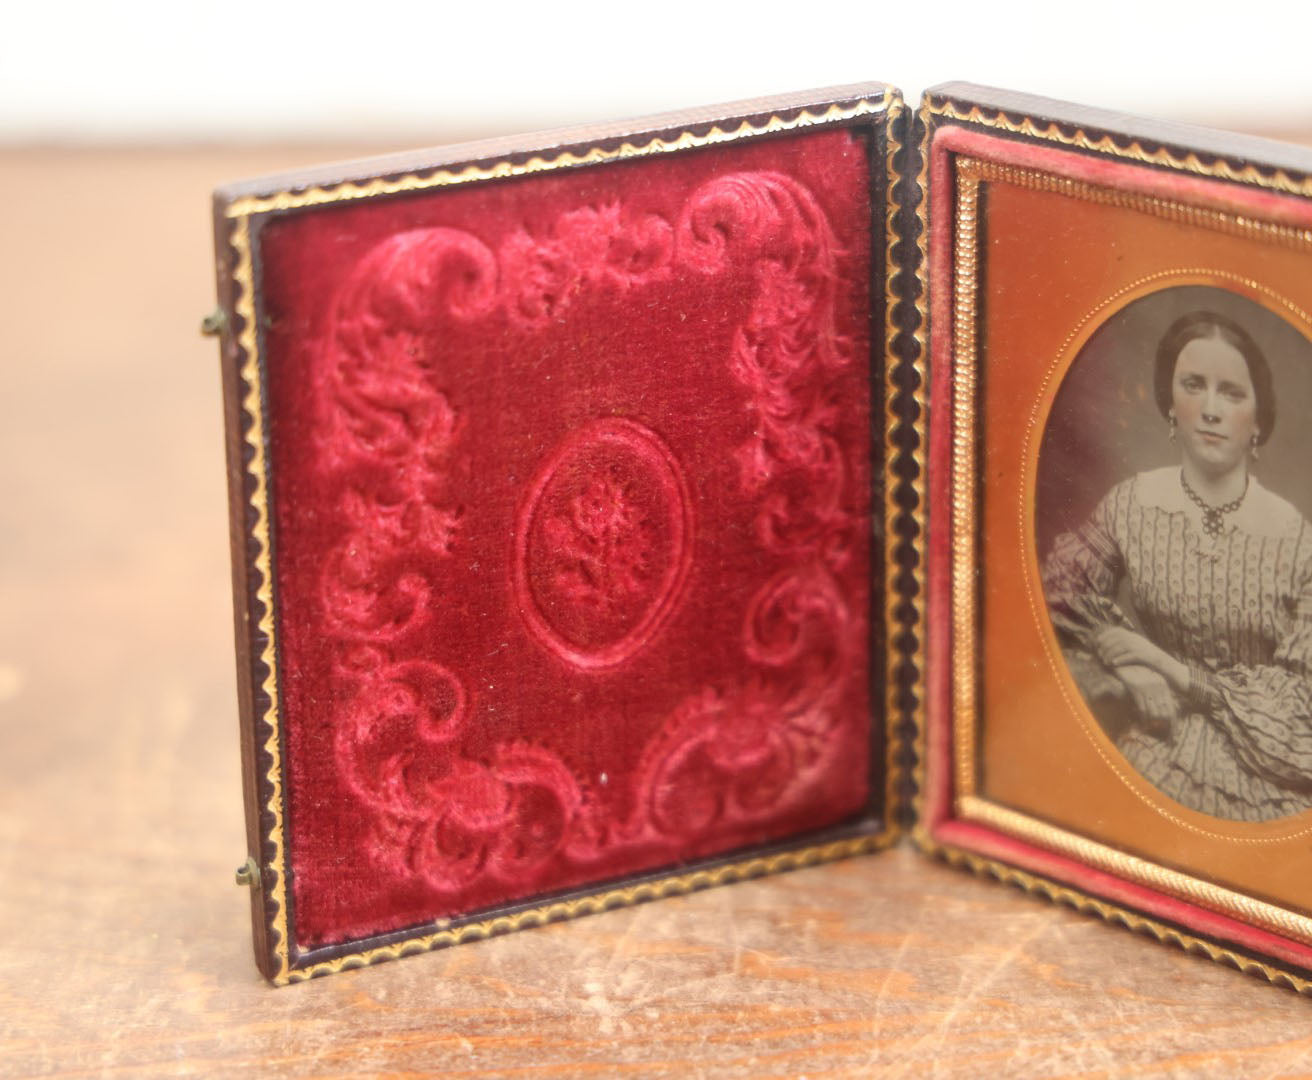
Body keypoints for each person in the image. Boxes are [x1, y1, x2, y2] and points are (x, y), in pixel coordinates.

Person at [1042, 311, 1312, 821]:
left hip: (1270, 780)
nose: (1210, 409)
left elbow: (1303, 712)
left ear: (1258, 418)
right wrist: (1123, 658)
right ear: (1170, 404)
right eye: (1194, 385)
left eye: (1231, 393)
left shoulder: (1296, 540)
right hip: (1157, 740)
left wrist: (1165, 665)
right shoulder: (1134, 503)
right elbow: (1059, 593)